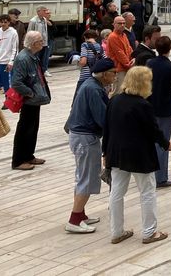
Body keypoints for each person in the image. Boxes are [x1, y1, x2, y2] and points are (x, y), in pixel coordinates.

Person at [104, 66, 171, 244]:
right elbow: (153, 130)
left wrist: (105, 152)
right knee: (147, 191)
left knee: (117, 192)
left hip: (116, 153)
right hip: (139, 155)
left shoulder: (115, 100)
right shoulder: (143, 105)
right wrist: (166, 144)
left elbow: (107, 128)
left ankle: (116, 231)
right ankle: (149, 232)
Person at [64, 58, 116, 233]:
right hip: (86, 138)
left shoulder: (91, 84)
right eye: (113, 72)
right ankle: (74, 219)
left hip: (80, 136)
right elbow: (102, 118)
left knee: (82, 176)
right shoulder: (93, 89)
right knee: (86, 179)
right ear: (104, 74)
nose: (115, 75)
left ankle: (81, 215)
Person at [9, 31, 50, 171]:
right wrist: (30, 93)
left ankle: (29, 155)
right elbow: (16, 82)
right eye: (40, 41)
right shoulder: (23, 58)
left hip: (35, 100)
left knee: (32, 128)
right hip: (29, 100)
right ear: (32, 43)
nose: (42, 43)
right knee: (24, 129)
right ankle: (18, 160)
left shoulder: (32, 56)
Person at [147, 36, 171, 188]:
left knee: (152, 139)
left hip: (150, 105)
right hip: (166, 106)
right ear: (170, 48)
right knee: (163, 141)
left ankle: (151, 172)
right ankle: (160, 177)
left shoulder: (150, 63)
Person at [0, 14, 18, 101]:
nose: (3, 24)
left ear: (9, 22)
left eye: (5, 22)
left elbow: (15, 49)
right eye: (1, 22)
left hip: (6, 62)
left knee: (7, 83)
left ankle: (8, 99)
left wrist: (11, 62)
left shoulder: (13, 32)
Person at [104, 15, 134, 95]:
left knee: (124, 90)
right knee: (117, 92)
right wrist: (128, 64)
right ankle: (111, 106)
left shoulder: (123, 35)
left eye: (124, 23)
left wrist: (132, 58)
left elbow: (129, 49)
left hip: (125, 67)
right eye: (120, 23)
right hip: (119, 68)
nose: (122, 25)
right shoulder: (113, 36)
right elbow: (119, 53)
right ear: (114, 24)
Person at [27, 6, 53, 78]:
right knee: (36, 58)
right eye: (44, 10)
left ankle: (43, 71)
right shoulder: (33, 21)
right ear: (39, 12)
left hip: (43, 42)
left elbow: (45, 31)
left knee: (44, 58)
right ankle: (34, 72)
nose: (45, 12)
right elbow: (29, 32)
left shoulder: (44, 19)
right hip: (36, 43)